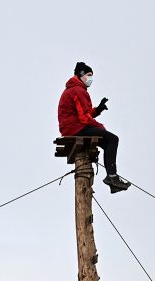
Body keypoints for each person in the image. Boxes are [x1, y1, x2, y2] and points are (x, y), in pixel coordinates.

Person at [57, 61, 130, 193]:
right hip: (75, 128)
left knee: (108, 141)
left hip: (72, 127)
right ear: (81, 74)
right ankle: (112, 177)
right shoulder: (78, 90)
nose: (91, 79)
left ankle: (112, 179)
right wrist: (101, 127)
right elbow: (84, 118)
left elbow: (83, 113)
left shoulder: (75, 89)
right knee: (112, 139)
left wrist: (98, 110)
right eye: (89, 75)